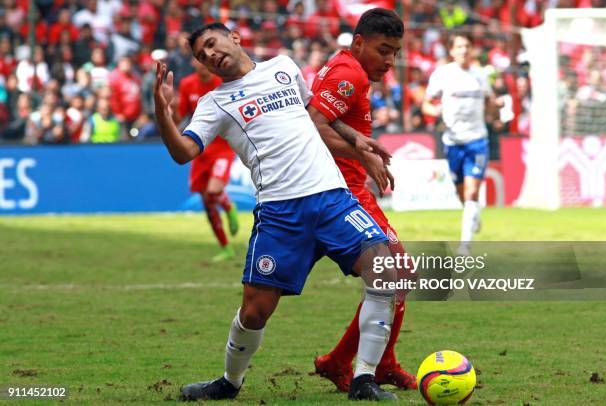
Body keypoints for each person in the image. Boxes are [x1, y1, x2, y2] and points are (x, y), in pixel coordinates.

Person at [154, 22, 400, 401]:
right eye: (202, 56)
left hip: (331, 198)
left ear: (233, 37)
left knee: (385, 271)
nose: (210, 56)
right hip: (280, 213)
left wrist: (357, 142)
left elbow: (317, 120)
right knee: (254, 312)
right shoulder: (214, 103)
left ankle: (363, 378)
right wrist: (163, 111)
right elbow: (182, 152)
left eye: (211, 44)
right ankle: (229, 382)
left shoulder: (282, 67)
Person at [307, 8, 417, 393]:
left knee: (396, 274)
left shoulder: (348, 69)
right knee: (398, 270)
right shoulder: (348, 73)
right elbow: (313, 125)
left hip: (341, 188)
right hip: (343, 192)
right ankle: (359, 363)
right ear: (359, 43)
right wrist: (361, 154)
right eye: (383, 50)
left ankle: (356, 362)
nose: (389, 61)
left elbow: (319, 119)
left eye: (395, 53)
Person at [422, 34, 502, 254]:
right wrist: (435, 111)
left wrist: (497, 105)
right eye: (459, 46)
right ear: (451, 50)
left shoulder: (480, 76)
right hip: (453, 142)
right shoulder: (443, 75)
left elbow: (490, 104)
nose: (464, 50)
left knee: (471, 191)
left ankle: (465, 244)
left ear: (472, 50)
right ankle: (473, 215)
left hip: (477, 141)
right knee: (461, 194)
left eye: (467, 46)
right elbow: (426, 104)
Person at [176, 57, 239, 262]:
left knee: (214, 191)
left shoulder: (222, 82)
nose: (202, 64)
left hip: (222, 147)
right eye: (198, 60)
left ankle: (229, 207)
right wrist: (169, 107)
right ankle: (226, 248)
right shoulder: (187, 84)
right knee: (206, 201)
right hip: (200, 148)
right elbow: (181, 115)